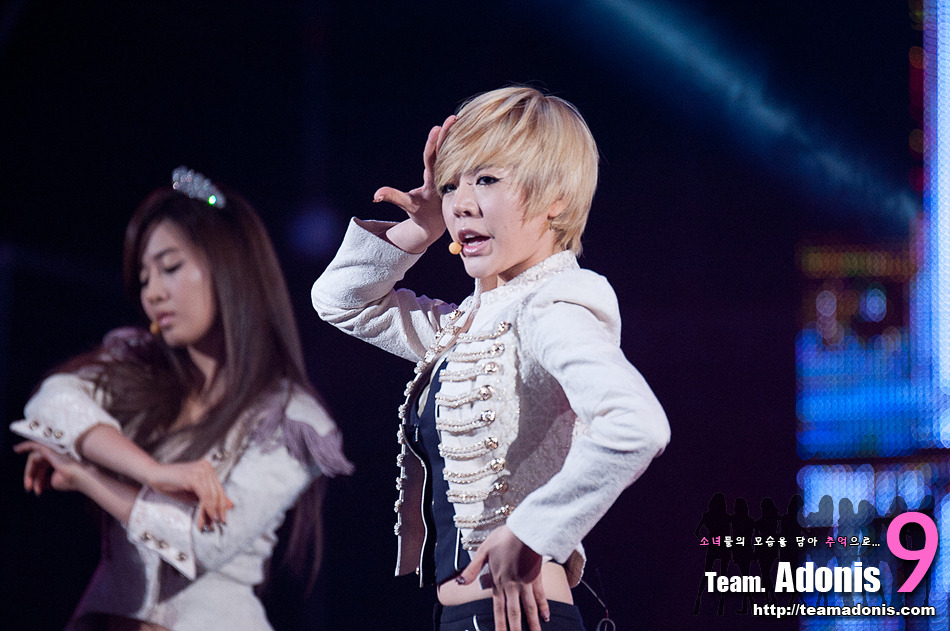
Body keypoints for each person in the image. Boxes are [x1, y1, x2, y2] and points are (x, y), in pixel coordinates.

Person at [311, 86, 670, 631]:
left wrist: (533, 532)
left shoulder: (551, 307)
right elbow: (339, 301)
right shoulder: (468, 324)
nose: (461, 203)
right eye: (451, 184)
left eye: (486, 180)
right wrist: (422, 227)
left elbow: (638, 424)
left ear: (556, 196)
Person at [12, 166, 353, 631]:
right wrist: (150, 471)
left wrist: (89, 476)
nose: (153, 293)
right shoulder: (139, 366)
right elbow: (50, 402)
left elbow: (206, 542)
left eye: (170, 268)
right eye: (143, 279)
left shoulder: (293, 418)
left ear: (229, 269)